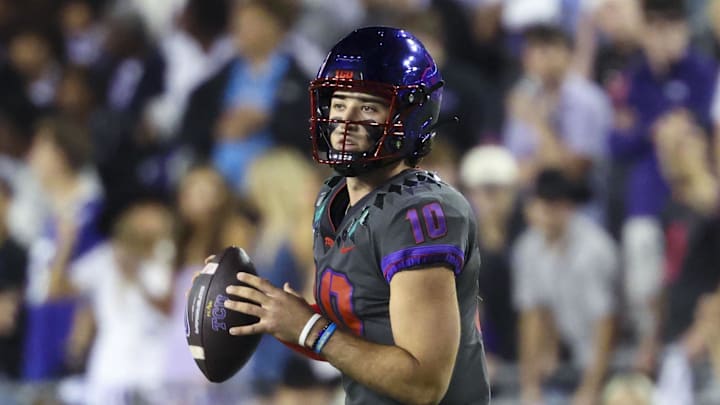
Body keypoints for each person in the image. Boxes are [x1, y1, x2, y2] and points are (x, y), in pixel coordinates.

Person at [222, 27, 490, 404]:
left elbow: (423, 384)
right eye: (338, 102)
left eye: (367, 106)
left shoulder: (422, 213)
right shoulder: (335, 195)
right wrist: (270, 312)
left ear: (409, 115)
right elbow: (360, 341)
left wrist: (310, 328)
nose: (344, 120)